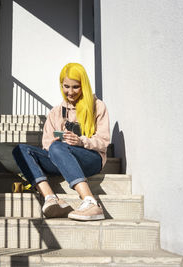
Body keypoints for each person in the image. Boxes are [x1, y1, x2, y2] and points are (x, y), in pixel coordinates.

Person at [12, 63, 110, 221]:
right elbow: (46, 144)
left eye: (76, 87)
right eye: (66, 86)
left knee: (57, 147)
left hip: (91, 159)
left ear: (83, 85)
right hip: (61, 158)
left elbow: (104, 141)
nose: (70, 92)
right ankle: (51, 198)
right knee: (20, 150)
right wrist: (59, 142)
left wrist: (80, 141)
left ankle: (90, 202)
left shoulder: (98, 106)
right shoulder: (56, 112)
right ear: (61, 85)